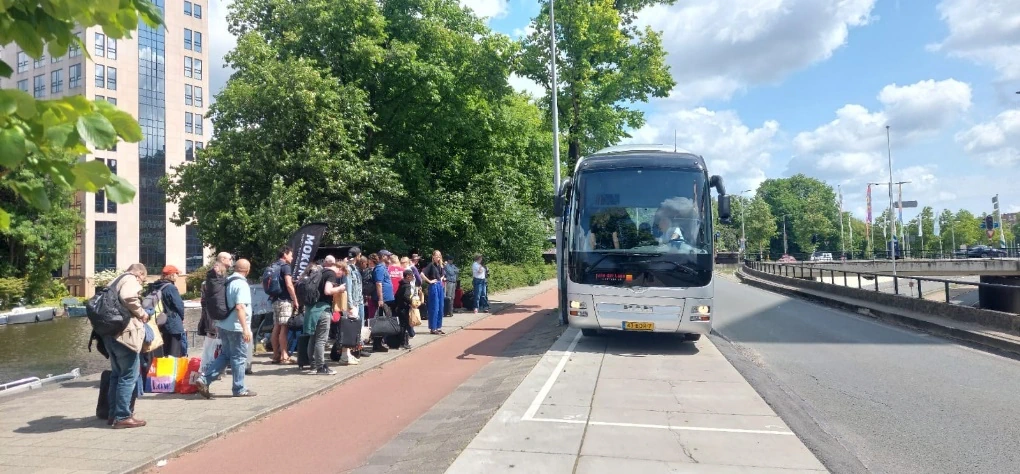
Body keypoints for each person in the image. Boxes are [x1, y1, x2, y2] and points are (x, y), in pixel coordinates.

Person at [195, 259, 256, 398]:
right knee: (239, 357)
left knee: (226, 355)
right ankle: (239, 388)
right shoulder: (241, 284)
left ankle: (204, 379)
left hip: (223, 324)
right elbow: (240, 307)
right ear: (247, 270)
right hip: (236, 327)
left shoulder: (226, 281)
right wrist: (245, 328)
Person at [103, 263, 150, 429]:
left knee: (117, 375)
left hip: (109, 334)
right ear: (139, 273)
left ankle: (112, 414)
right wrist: (142, 313)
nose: (142, 284)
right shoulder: (130, 279)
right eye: (143, 280)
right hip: (124, 335)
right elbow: (129, 297)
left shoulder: (114, 281)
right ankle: (123, 416)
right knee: (128, 376)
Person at [305, 256, 344, 374]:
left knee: (313, 338)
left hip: (312, 309)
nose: (341, 276)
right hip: (322, 309)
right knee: (321, 340)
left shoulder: (320, 271)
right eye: (342, 273)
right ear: (340, 268)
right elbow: (328, 291)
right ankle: (321, 367)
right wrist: (339, 288)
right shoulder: (331, 274)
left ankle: (313, 364)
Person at [147, 265, 187, 357]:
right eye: (177, 274)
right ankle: (172, 370)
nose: (178, 276)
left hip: (161, 322)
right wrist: (182, 317)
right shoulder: (171, 288)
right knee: (174, 351)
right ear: (172, 275)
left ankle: (164, 369)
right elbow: (179, 304)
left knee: (165, 350)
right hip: (173, 322)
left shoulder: (155, 286)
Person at [270, 246, 300, 364]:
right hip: (284, 300)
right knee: (284, 327)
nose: (292, 257)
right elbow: (288, 284)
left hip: (275, 299)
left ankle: (275, 355)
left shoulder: (273, 265)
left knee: (276, 326)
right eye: (291, 255)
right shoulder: (285, 267)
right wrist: (295, 299)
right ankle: (284, 356)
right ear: (285, 255)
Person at [372, 250, 396, 353]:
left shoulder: (384, 267)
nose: (389, 257)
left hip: (386, 299)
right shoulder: (380, 268)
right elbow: (378, 283)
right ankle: (377, 344)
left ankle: (379, 343)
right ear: (382, 256)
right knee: (381, 322)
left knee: (384, 320)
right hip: (382, 300)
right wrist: (380, 299)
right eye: (388, 256)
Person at [421, 250, 446, 334]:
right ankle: (433, 327)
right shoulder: (431, 265)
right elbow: (422, 274)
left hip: (439, 286)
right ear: (433, 256)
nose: (438, 257)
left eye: (439, 256)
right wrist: (430, 281)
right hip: (434, 286)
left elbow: (442, 275)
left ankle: (438, 326)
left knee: (440, 307)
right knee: (434, 307)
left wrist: (442, 279)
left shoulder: (441, 266)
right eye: (436, 256)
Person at [392, 269, 415, 349]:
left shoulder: (402, 284)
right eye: (412, 276)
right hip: (403, 308)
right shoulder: (407, 285)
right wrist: (411, 302)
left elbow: (397, 295)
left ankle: (401, 341)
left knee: (402, 324)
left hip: (398, 307)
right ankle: (403, 342)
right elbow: (405, 296)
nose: (413, 277)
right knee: (403, 325)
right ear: (408, 276)